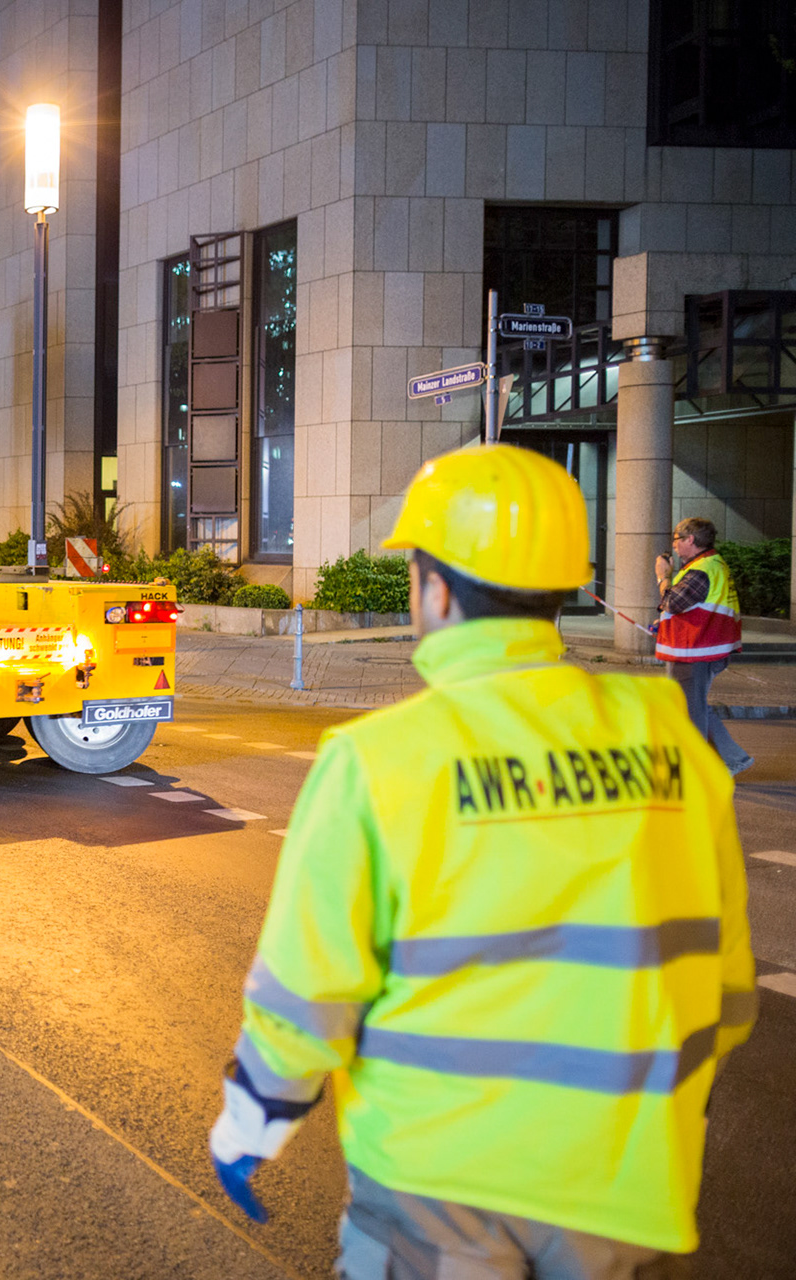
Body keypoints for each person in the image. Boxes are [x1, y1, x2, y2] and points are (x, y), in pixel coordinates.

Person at [208, 445, 756, 1279]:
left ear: (435, 590)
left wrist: (254, 1121)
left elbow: (309, 989)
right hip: (627, 1182)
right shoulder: (668, 739)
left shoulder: (382, 758)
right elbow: (727, 983)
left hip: (436, 1181)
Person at [655, 517, 752, 776]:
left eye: (677, 539)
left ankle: (698, 768)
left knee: (690, 710)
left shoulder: (701, 569)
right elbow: (692, 606)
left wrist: (663, 576)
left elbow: (673, 602)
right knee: (694, 706)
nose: (673, 545)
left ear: (690, 539)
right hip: (703, 647)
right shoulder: (710, 564)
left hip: (694, 650)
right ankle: (732, 759)